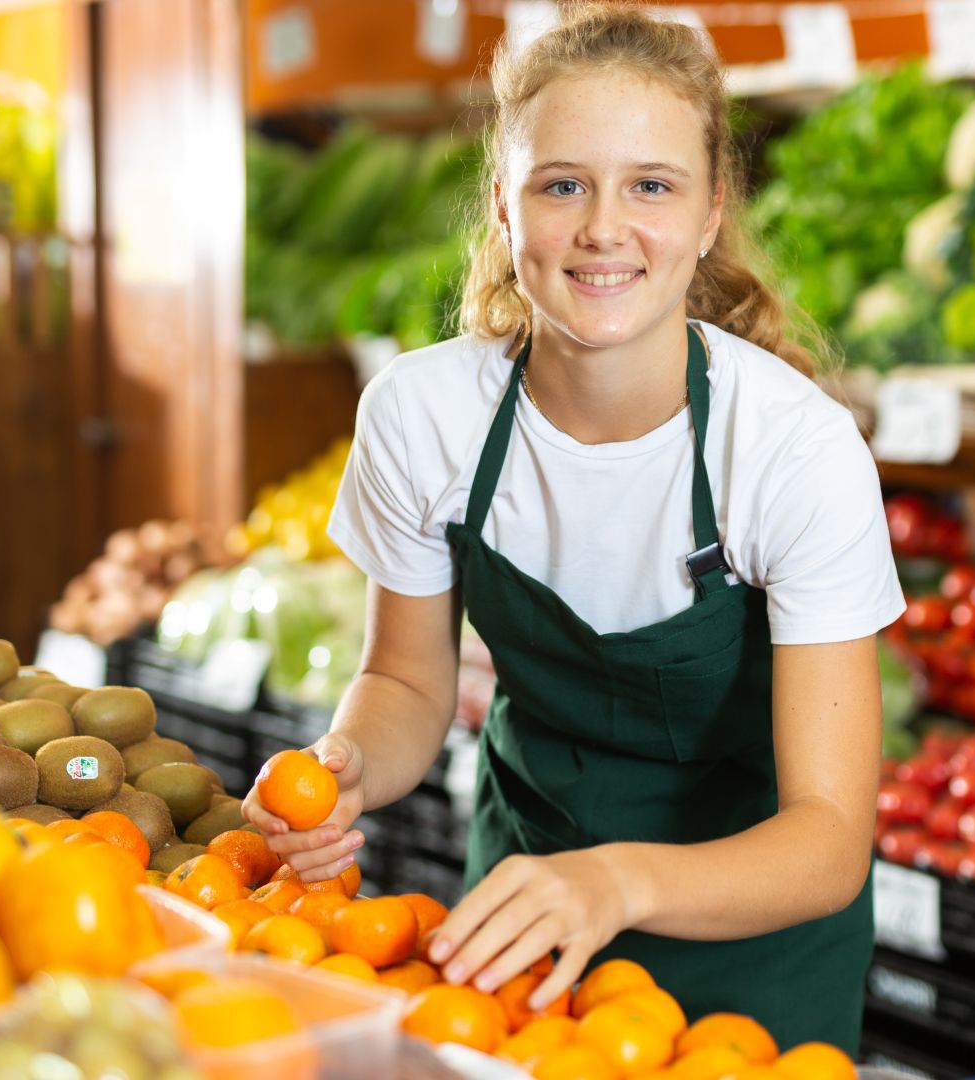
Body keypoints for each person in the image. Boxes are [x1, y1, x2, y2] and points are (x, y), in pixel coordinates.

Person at [243, 3, 903, 1051]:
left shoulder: (792, 452)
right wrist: (351, 765)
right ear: (504, 205)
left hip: (756, 951)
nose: (604, 227)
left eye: (652, 184)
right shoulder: (424, 417)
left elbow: (829, 839)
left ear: (711, 210)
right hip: (524, 926)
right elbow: (409, 686)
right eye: (563, 185)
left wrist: (615, 882)